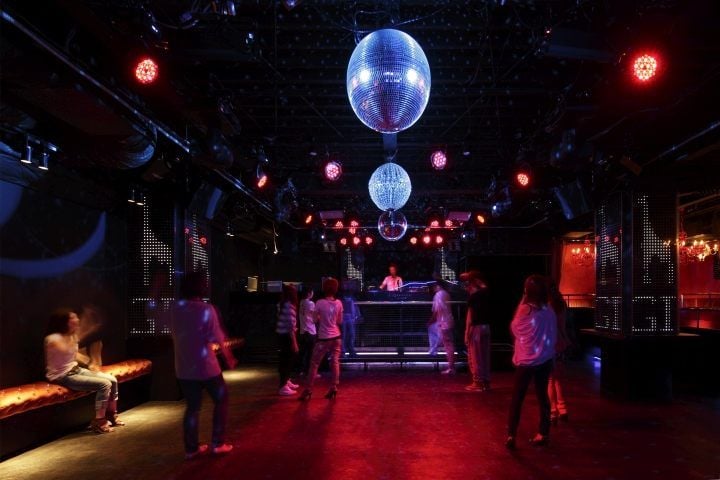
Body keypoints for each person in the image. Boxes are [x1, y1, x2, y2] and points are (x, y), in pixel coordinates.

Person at [169, 272, 237, 459]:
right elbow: (218, 338)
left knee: (192, 407)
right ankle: (217, 443)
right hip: (206, 366)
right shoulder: (206, 309)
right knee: (221, 399)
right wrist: (229, 357)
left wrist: (154, 292)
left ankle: (191, 449)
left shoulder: (175, 308)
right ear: (202, 287)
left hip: (183, 367)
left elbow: (154, 315)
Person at [44, 308, 125, 434]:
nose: (77, 320)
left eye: (77, 317)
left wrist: (90, 362)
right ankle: (99, 421)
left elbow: (73, 354)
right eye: (73, 318)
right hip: (62, 376)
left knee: (112, 380)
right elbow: (66, 349)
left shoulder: (72, 336)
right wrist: (85, 331)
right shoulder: (53, 339)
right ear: (64, 322)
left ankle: (111, 414)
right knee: (104, 384)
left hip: (76, 370)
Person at [505, 274, 557, 450]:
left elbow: (515, 328)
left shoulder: (525, 309)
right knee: (543, 397)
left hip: (526, 361)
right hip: (544, 359)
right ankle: (543, 433)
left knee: (517, 398)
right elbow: (552, 334)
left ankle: (511, 434)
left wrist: (523, 300)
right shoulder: (549, 311)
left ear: (527, 291)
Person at [299, 277, 343, 401]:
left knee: (314, 364)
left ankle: (308, 390)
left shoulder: (319, 303)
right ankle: (334, 388)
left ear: (324, 288)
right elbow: (339, 321)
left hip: (324, 338)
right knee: (335, 362)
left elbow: (314, 320)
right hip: (337, 337)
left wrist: (321, 317)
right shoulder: (339, 303)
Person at [460, 270, 492, 391]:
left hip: (476, 328)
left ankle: (477, 382)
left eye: (467, 284)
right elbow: (484, 287)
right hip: (486, 327)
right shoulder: (485, 293)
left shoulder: (473, 297)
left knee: (475, 356)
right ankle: (486, 382)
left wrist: (466, 332)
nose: (466, 287)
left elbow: (470, 317)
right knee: (485, 356)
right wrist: (475, 279)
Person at [547, 279, 571, 424]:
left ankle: (553, 411)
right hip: (560, 343)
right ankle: (563, 408)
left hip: (549, 345)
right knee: (558, 379)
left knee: (550, 379)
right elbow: (563, 326)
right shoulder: (561, 304)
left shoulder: (546, 306)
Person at [276, 284, 300, 396]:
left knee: (285, 360)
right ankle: (283, 386)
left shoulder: (283, 304)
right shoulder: (289, 306)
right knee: (288, 360)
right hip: (287, 336)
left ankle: (286, 381)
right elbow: (290, 326)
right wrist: (294, 342)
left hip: (282, 335)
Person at [429, 281, 455, 374]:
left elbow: (436, 310)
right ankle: (451, 366)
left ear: (438, 286)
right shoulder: (446, 294)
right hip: (449, 321)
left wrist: (430, 321)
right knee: (449, 344)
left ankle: (451, 367)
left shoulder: (438, 295)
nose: (433, 289)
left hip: (443, 322)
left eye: (434, 286)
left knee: (448, 345)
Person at [298, 288, 317, 376]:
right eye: (312, 292)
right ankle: (309, 372)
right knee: (311, 353)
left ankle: (301, 371)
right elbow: (314, 317)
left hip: (302, 331)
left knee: (303, 352)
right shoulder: (311, 303)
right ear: (309, 293)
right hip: (310, 330)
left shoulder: (301, 302)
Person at [341, 292, 360, 356]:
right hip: (345, 318)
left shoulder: (351, 299)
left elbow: (355, 308)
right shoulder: (343, 299)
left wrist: (357, 316)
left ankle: (349, 350)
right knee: (345, 335)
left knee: (350, 335)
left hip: (349, 319)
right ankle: (344, 351)